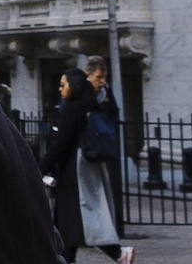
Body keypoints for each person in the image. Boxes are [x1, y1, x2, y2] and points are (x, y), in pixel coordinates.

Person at [40, 69, 134, 264]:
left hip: (75, 170)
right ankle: (70, 258)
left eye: (63, 84)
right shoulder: (88, 104)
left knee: (78, 216)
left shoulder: (72, 107)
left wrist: (40, 167)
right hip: (81, 167)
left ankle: (118, 253)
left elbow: (61, 143)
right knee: (68, 219)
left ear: (72, 86)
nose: (60, 89)